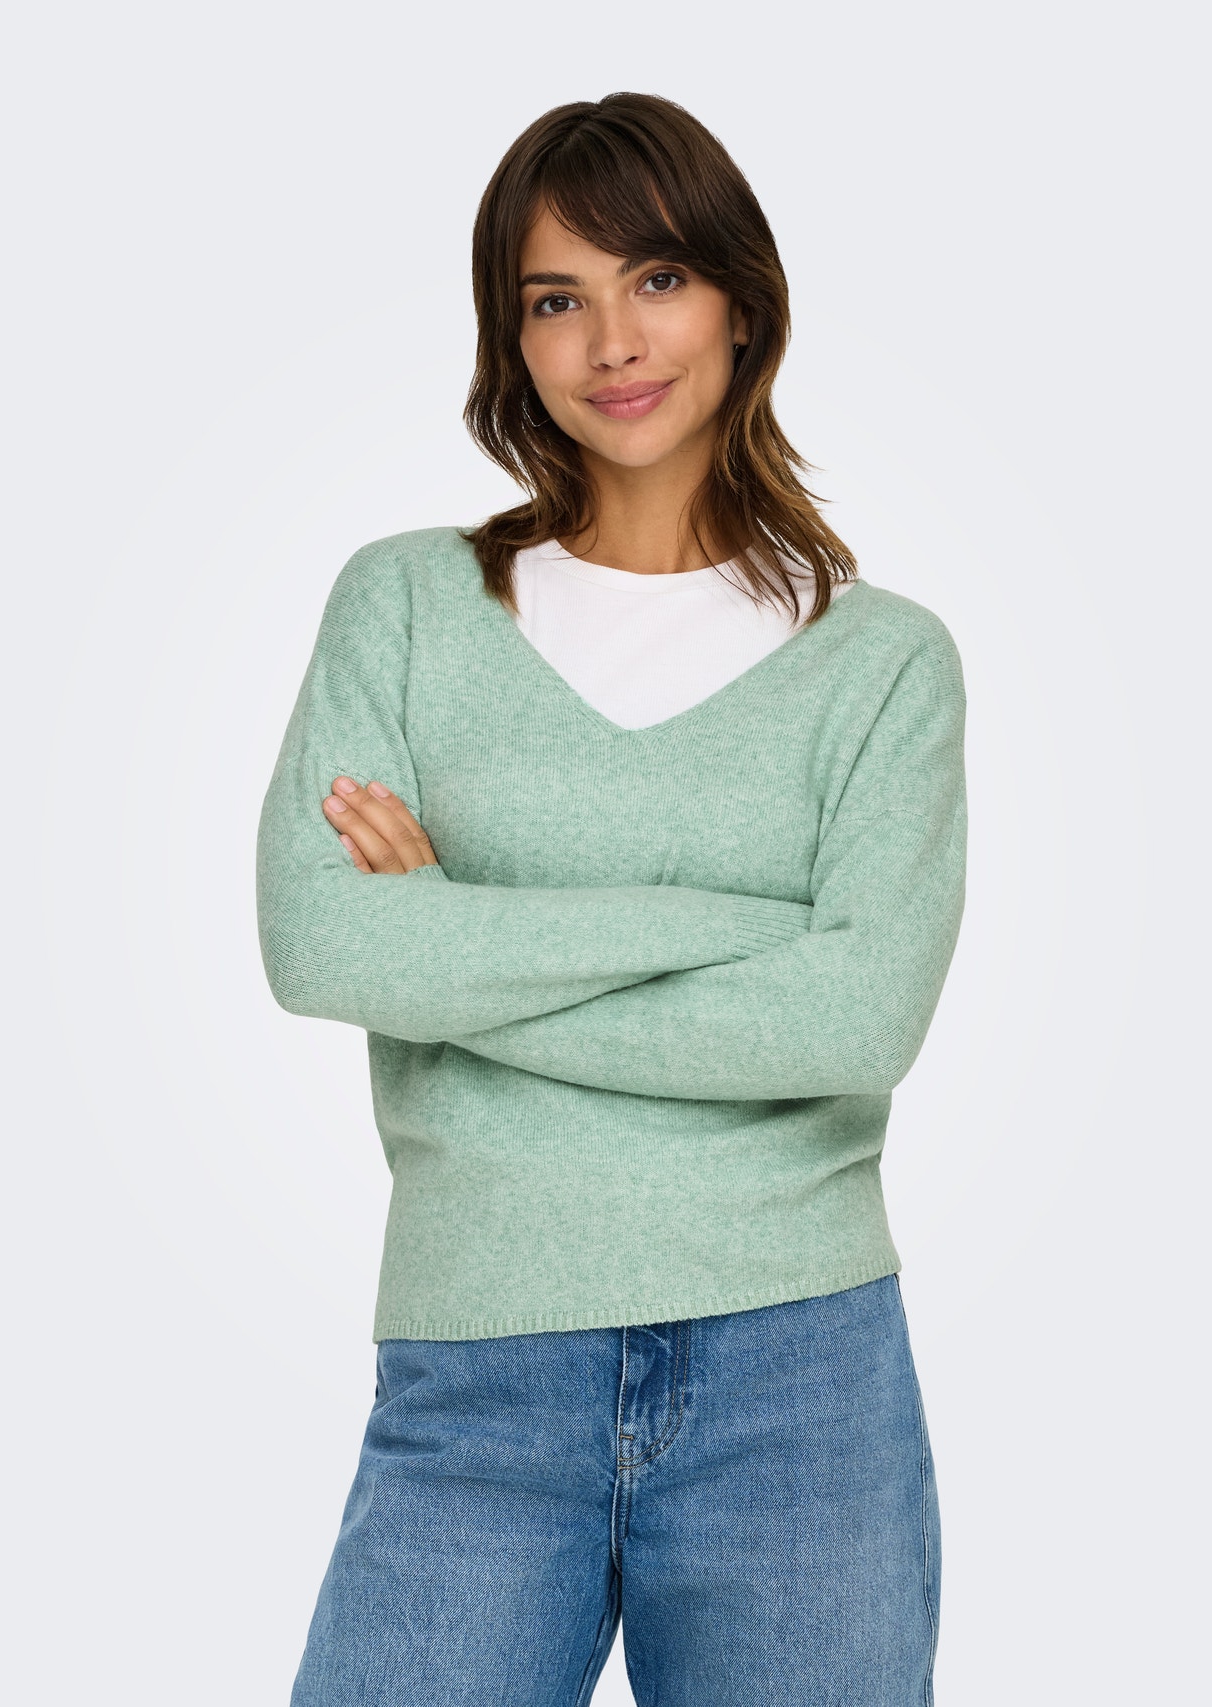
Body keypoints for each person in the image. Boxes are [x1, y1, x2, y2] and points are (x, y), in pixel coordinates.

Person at [257, 90, 967, 1707]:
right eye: (555, 299)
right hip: (479, 1368)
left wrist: (458, 939)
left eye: (656, 278)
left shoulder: (884, 666)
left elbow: (857, 1019)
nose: (613, 342)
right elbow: (321, 942)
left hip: (802, 1377)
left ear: (741, 303)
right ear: (512, 342)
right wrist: (732, 928)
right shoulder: (409, 606)